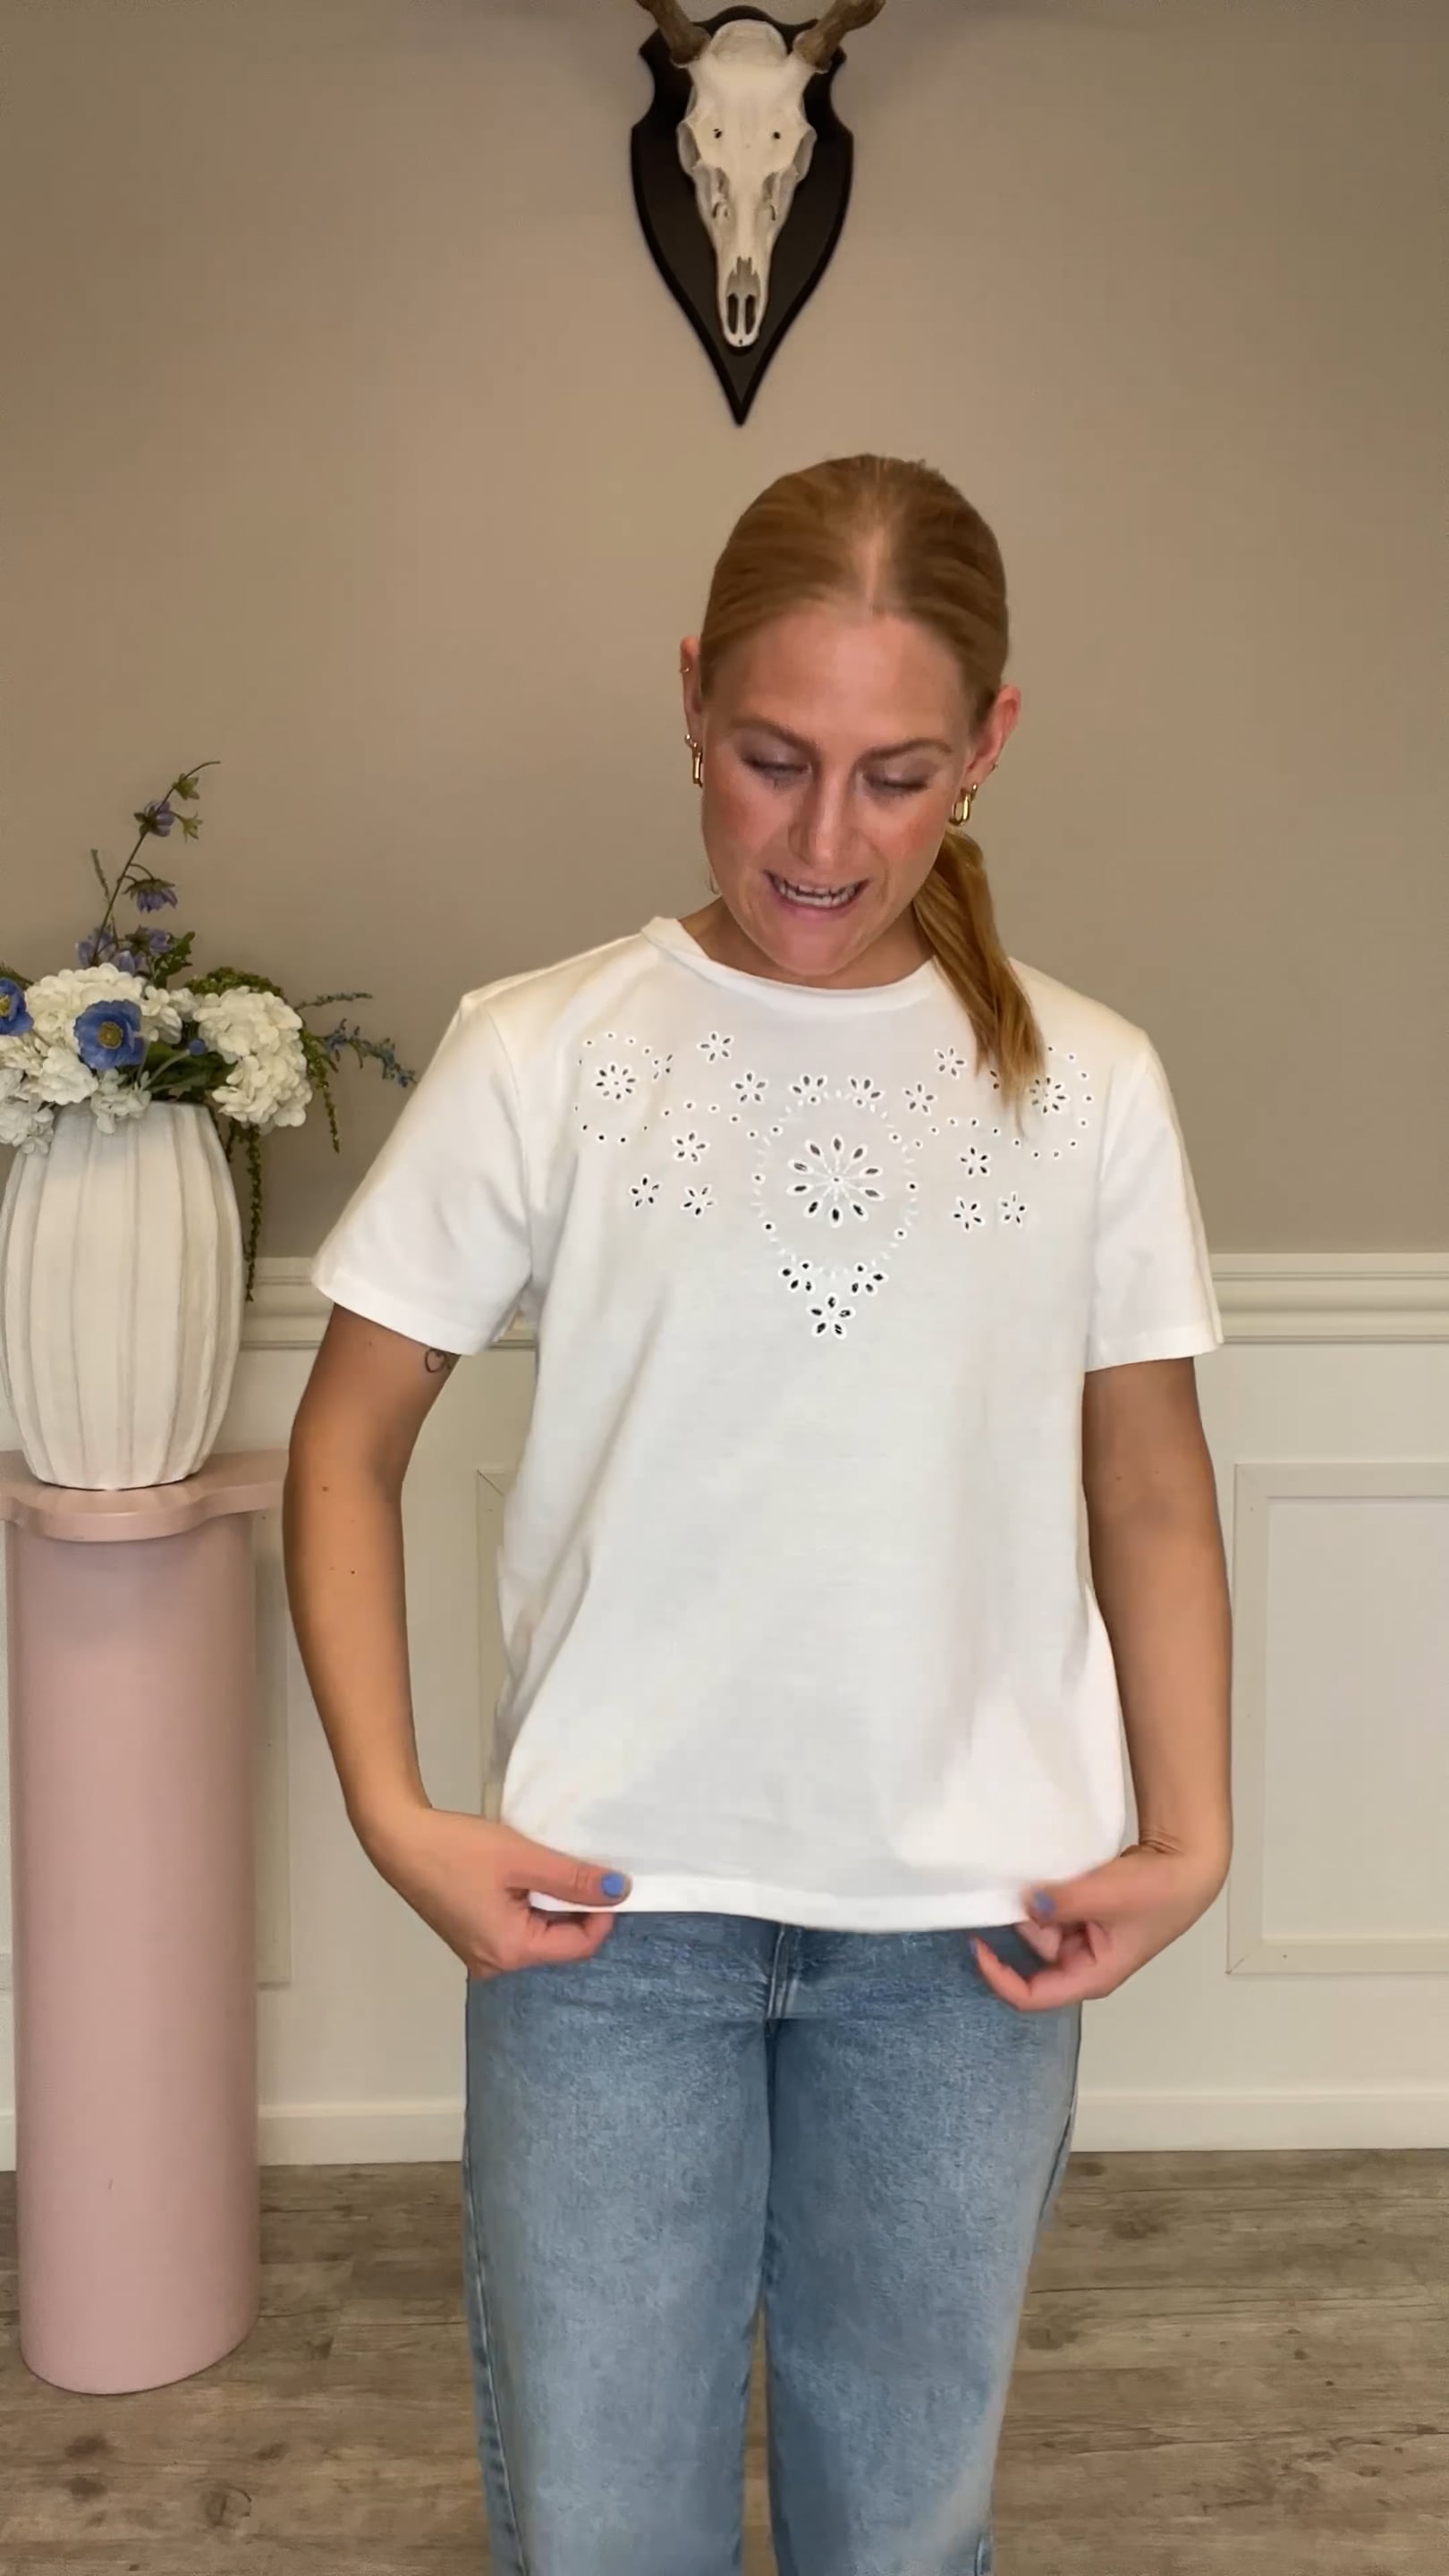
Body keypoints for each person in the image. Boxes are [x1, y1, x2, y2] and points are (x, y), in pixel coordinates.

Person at [283, 453, 1233, 2576]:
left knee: (905, 2529)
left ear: (990, 744)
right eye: (771, 759)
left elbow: (1153, 1491)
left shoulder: (1090, 1087)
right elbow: (344, 1443)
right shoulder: (544, 1051)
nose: (825, 840)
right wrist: (395, 1812)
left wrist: (1196, 1832)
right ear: (692, 698)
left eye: (898, 776)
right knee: (604, 2529)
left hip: (972, 1936)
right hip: (603, 1926)